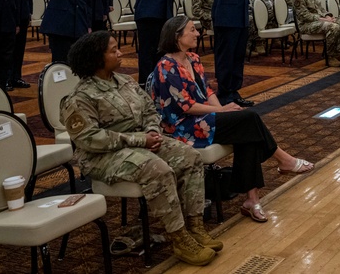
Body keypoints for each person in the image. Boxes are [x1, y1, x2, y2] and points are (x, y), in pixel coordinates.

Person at [60, 31, 221, 266]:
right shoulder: (80, 97)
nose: (120, 52)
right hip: (102, 157)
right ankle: (179, 238)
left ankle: (194, 226)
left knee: (190, 157)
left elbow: (149, 109)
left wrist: (153, 131)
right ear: (97, 58)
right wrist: (139, 139)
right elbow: (89, 139)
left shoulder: (124, 81)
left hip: (141, 141)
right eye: (113, 50)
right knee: (157, 169)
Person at [151, 16, 313, 224]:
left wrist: (220, 110)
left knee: (247, 129)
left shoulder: (193, 59)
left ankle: (252, 200)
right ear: (177, 36)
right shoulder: (166, 66)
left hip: (204, 117)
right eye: (192, 30)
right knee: (248, 119)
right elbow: (186, 106)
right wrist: (221, 112)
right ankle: (282, 160)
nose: (198, 33)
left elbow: (207, 91)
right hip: (184, 126)